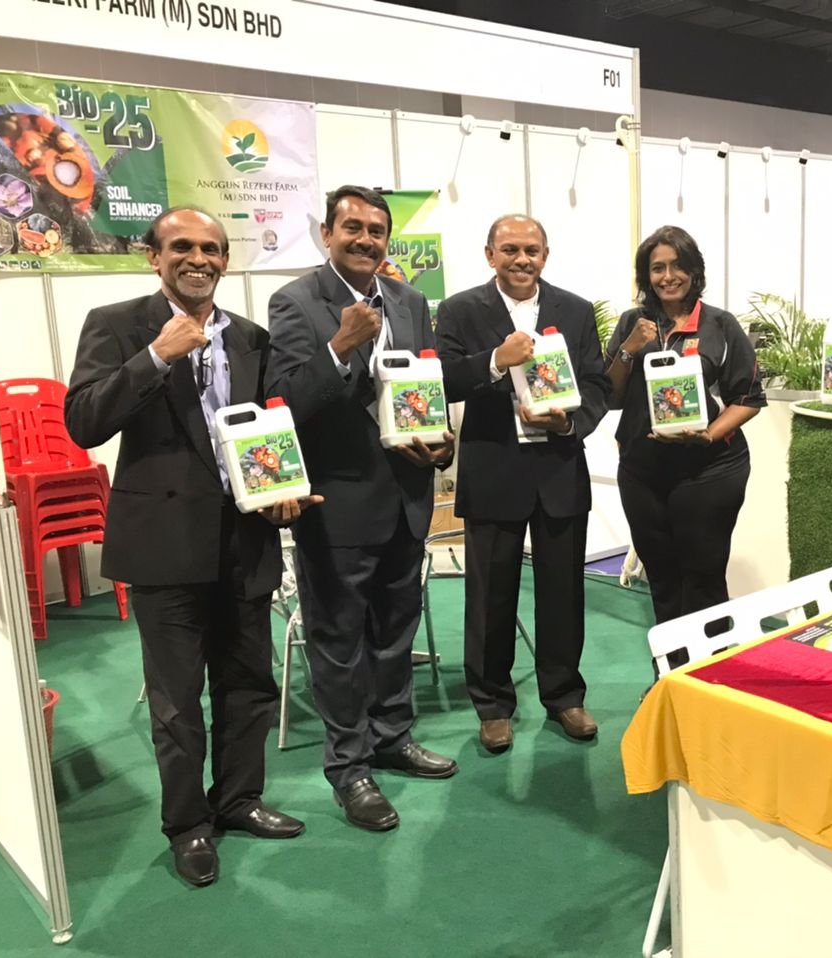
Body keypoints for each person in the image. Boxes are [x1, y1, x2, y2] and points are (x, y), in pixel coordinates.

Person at [65, 207, 315, 887]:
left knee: (250, 685)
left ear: (225, 260)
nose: (198, 258)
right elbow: (84, 423)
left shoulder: (253, 338)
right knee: (176, 700)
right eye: (182, 246)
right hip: (164, 542)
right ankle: (188, 825)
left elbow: (268, 430)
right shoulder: (117, 325)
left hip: (245, 538)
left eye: (211, 248)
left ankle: (238, 800)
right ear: (154, 256)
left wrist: (283, 489)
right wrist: (157, 356)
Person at [266, 185, 457, 832]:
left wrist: (441, 443)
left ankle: (392, 737)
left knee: (396, 631)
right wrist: (340, 345)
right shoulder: (296, 302)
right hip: (338, 504)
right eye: (353, 228)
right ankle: (349, 768)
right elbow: (285, 401)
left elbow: (425, 388)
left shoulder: (409, 301)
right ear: (327, 234)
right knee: (339, 642)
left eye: (377, 230)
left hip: (406, 496)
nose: (366, 240)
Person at [436, 214, 610, 753]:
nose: (521, 259)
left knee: (563, 593)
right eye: (509, 249)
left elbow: (598, 384)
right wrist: (495, 361)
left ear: (545, 256)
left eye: (531, 250)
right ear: (490, 255)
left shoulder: (575, 310)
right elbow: (442, 378)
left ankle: (565, 697)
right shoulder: (460, 310)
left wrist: (568, 424)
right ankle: (492, 705)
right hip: (494, 469)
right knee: (490, 596)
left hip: (559, 468)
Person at [605, 225, 764, 634]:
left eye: (678, 266)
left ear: (694, 270)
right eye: (657, 268)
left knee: (702, 577)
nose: (668, 276)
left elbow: (747, 398)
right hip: (642, 471)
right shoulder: (632, 323)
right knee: (661, 576)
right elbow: (611, 396)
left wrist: (708, 434)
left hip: (710, 469)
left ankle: (711, 666)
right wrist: (629, 349)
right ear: (646, 275)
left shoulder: (720, 325)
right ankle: (672, 665)